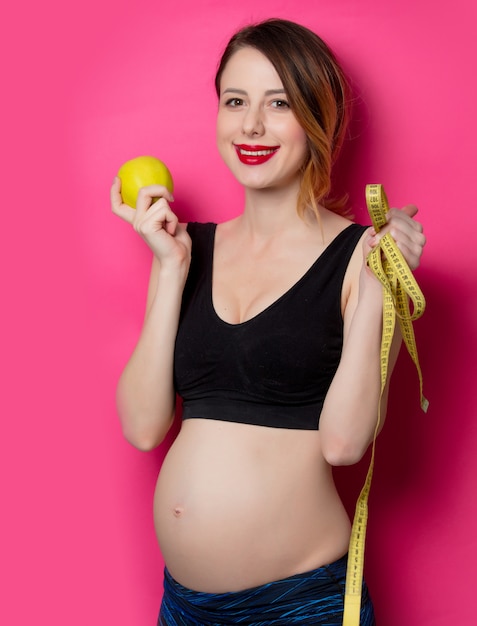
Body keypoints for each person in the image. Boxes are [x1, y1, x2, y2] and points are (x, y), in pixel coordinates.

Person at [110, 18, 426, 626]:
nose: (251, 125)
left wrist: (375, 287)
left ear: (317, 117)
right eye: (236, 101)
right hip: (182, 607)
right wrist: (171, 270)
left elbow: (344, 442)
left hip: (300, 607)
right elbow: (143, 427)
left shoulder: (363, 256)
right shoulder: (186, 247)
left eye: (278, 103)